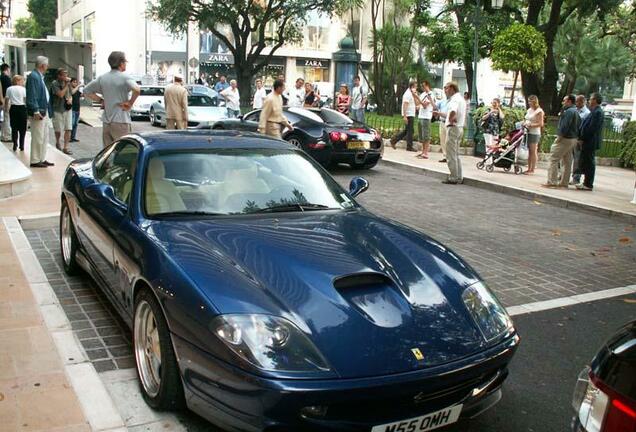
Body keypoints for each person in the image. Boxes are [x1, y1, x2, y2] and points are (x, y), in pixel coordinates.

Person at [83, 51, 140, 147]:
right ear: (121, 63)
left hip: (106, 121)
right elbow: (137, 90)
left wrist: (101, 100)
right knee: (123, 150)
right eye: (125, 62)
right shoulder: (125, 77)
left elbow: (86, 90)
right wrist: (130, 103)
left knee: (108, 152)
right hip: (121, 120)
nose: (126, 64)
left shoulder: (102, 78)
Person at [542, 94, 581, 188]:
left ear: (569, 101)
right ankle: (564, 182)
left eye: (564, 100)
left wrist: (559, 137)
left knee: (553, 159)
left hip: (565, 138)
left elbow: (564, 126)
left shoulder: (568, 112)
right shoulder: (576, 111)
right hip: (573, 138)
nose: (563, 102)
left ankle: (552, 181)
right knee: (567, 161)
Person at [25, 56, 54, 168]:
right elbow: (32, 95)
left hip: (44, 111)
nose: (48, 67)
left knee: (44, 136)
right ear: (42, 65)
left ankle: (41, 158)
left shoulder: (39, 77)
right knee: (38, 136)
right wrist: (35, 110)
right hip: (39, 111)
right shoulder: (34, 77)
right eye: (47, 65)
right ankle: (35, 160)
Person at [575, 93, 604, 191]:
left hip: (590, 141)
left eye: (591, 99)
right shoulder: (594, 111)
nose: (589, 101)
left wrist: (583, 138)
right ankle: (586, 182)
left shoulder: (598, 112)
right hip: (588, 141)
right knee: (586, 161)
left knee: (589, 162)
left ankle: (588, 184)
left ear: (595, 100)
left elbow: (592, 128)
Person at [442, 81, 466, 184]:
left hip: (453, 128)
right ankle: (459, 176)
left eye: (446, 88)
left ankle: (453, 177)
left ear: (452, 88)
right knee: (456, 154)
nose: (445, 90)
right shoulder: (461, 99)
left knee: (450, 154)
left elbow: (453, 110)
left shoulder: (454, 99)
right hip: (459, 128)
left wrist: (452, 118)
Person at [50, 68, 74, 154]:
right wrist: (67, 85)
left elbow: (71, 93)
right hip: (57, 109)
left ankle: (66, 147)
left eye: (66, 75)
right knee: (58, 129)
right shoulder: (54, 83)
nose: (66, 77)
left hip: (67, 108)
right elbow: (60, 94)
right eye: (64, 75)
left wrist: (70, 99)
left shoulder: (68, 84)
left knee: (68, 128)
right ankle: (57, 142)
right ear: (59, 76)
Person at [390, 81, 417, 152]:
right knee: (410, 131)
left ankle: (394, 140)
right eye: (415, 87)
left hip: (410, 114)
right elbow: (405, 105)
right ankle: (409, 146)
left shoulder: (411, 93)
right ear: (412, 87)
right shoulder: (408, 94)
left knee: (407, 130)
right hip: (408, 114)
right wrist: (405, 116)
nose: (416, 88)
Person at [571, 94, 591, 185]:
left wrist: (581, 138)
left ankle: (576, 177)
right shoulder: (575, 111)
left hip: (578, 138)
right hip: (571, 137)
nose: (576, 103)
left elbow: (584, 127)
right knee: (568, 157)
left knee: (577, 159)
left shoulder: (586, 113)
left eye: (578, 101)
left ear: (583, 102)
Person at [412, 80, 435, 159]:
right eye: (422, 86)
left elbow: (425, 105)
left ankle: (426, 153)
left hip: (426, 117)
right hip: (421, 116)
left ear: (428, 85)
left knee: (426, 136)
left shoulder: (431, 94)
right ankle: (422, 152)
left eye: (424, 86)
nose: (422, 87)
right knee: (422, 136)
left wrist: (417, 98)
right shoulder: (423, 94)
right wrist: (415, 96)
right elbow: (418, 104)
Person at [523, 95, 544, 175]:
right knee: (529, 151)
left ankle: (532, 169)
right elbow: (526, 118)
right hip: (527, 131)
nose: (529, 103)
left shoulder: (539, 111)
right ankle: (529, 167)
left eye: (530, 101)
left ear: (535, 102)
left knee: (533, 150)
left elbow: (540, 123)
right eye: (528, 101)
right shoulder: (529, 110)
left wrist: (530, 125)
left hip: (534, 132)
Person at [5, 75, 27, 151]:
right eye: (21, 80)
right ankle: (22, 145)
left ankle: (15, 144)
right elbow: (25, 100)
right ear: (18, 81)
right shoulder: (23, 89)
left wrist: (6, 109)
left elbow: (7, 100)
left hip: (13, 108)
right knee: (22, 128)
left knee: (14, 127)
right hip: (22, 108)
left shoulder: (9, 89)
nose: (22, 82)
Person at [436, 95, 449, 162]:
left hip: (448, 123)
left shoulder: (453, 101)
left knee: (448, 141)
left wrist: (440, 113)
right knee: (442, 140)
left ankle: (449, 157)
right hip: (442, 121)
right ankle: (445, 156)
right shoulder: (442, 101)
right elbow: (435, 106)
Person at [1, 63, 12, 141]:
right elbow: (9, 91)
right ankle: (7, 136)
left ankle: (3, 135)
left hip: (1, 99)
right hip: (5, 99)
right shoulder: (7, 78)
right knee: (7, 118)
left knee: (4, 118)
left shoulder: (0, 77)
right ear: (7, 69)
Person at [69, 78, 82, 142]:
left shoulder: (77, 91)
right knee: (72, 123)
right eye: (74, 82)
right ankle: (69, 137)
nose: (75, 83)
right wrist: (78, 86)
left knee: (75, 124)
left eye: (76, 82)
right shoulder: (70, 89)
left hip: (77, 109)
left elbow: (82, 95)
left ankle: (73, 137)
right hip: (72, 109)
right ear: (71, 83)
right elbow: (72, 92)